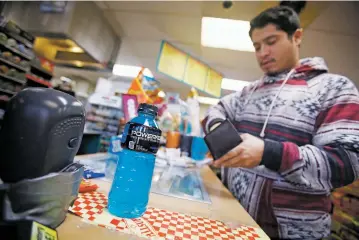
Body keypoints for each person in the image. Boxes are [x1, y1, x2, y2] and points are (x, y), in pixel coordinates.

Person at [202, 4, 359, 239]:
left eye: (271, 41)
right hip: (234, 223)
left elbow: (346, 162)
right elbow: (215, 112)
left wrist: (269, 152)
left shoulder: (334, 89)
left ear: (296, 36)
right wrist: (220, 134)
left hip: (294, 233)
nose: (263, 52)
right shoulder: (249, 92)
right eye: (257, 46)